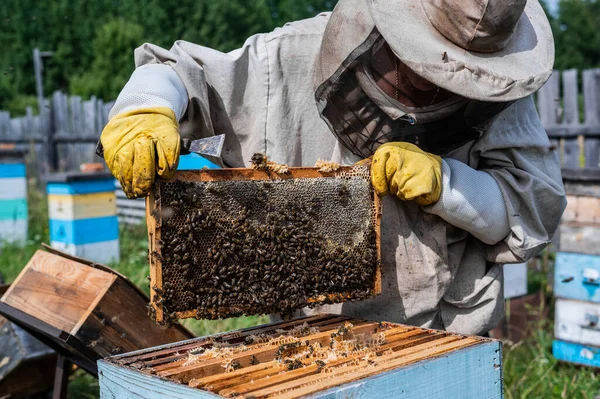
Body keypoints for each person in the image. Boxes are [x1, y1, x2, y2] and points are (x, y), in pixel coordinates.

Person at [100, 0, 567, 335]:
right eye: (421, 70)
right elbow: (179, 71)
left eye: (451, 82)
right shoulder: (284, 58)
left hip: (446, 333)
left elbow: (532, 209)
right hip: (308, 338)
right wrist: (146, 107)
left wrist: (449, 186)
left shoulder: (499, 93)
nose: (433, 91)